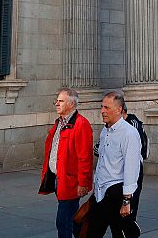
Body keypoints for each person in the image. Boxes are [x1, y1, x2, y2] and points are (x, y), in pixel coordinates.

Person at [39, 88, 94, 238]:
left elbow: (85, 158)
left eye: (60, 101)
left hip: (71, 182)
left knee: (63, 221)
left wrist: (83, 183)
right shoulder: (60, 122)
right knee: (71, 218)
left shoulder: (81, 124)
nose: (56, 103)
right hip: (59, 179)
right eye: (56, 101)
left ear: (71, 104)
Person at [88, 92, 142, 238]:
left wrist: (126, 201)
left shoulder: (129, 133)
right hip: (101, 192)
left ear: (119, 109)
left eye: (106, 107)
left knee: (119, 233)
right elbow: (103, 161)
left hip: (116, 192)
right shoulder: (105, 130)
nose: (102, 111)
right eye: (101, 107)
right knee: (91, 231)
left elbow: (131, 168)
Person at [121, 103, 147, 223]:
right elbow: (99, 149)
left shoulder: (132, 124)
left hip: (133, 166)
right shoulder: (111, 126)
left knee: (130, 206)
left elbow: (137, 148)